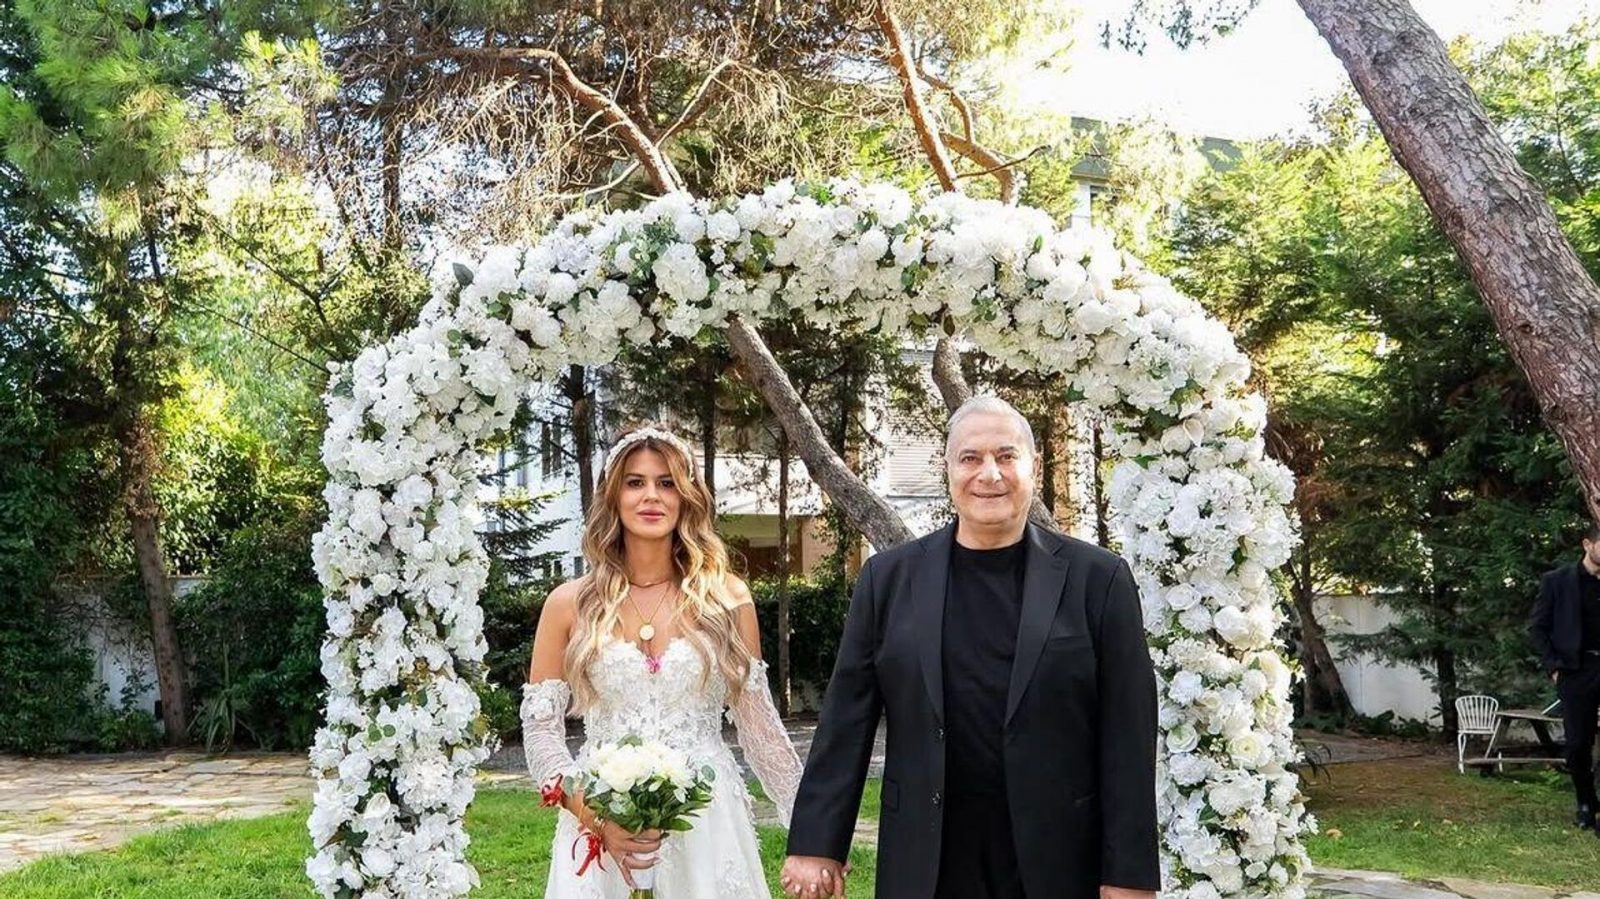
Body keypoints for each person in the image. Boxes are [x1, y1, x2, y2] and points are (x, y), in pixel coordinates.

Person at [782, 395, 1160, 899]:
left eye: (1006, 456)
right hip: (927, 858)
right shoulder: (888, 579)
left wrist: (1129, 874)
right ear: (948, 469)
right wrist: (816, 843)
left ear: (1034, 467)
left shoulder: (1099, 580)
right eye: (970, 458)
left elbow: (1128, 734)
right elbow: (845, 719)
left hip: (1057, 860)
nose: (989, 474)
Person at [522, 424, 804, 897]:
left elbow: (759, 730)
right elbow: (540, 732)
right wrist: (594, 813)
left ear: (686, 497)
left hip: (707, 825)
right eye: (635, 482)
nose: (651, 496)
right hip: (603, 821)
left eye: (667, 482)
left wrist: (814, 830)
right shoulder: (568, 604)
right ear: (613, 496)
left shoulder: (726, 598)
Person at [1530, 521, 1600, 836]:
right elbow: (1538, 628)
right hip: (1576, 670)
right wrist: (1554, 666)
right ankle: (1586, 802)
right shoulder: (1557, 582)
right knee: (1577, 743)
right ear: (1588, 544)